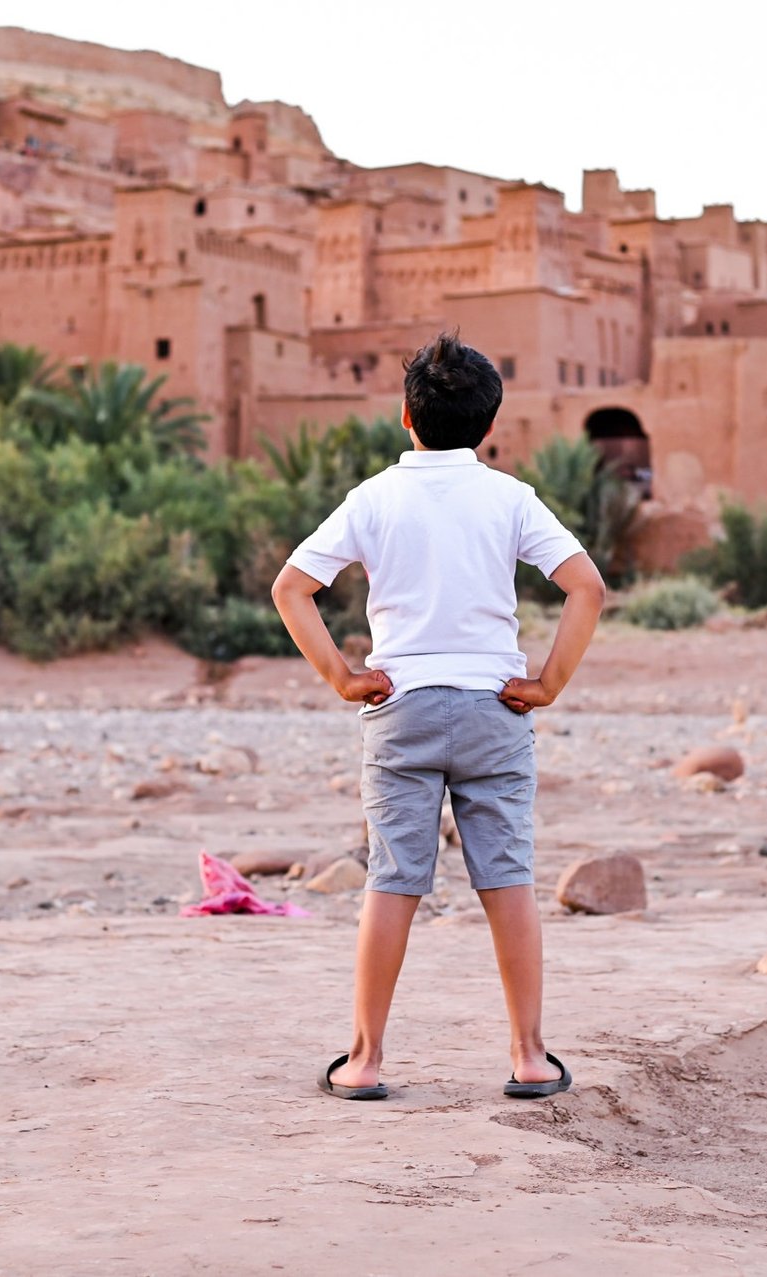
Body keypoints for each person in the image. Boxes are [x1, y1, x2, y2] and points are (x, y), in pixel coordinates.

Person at [271, 332, 606, 1102]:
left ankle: (363, 1060)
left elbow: (292, 588)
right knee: (508, 878)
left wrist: (341, 676)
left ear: (404, 416)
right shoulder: (510, 497)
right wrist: (548, 680)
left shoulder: (374, 498)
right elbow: (585, 586)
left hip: (402, 708)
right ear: (488, 426)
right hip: (494, 707)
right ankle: (528, 1055)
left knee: (392, 881)